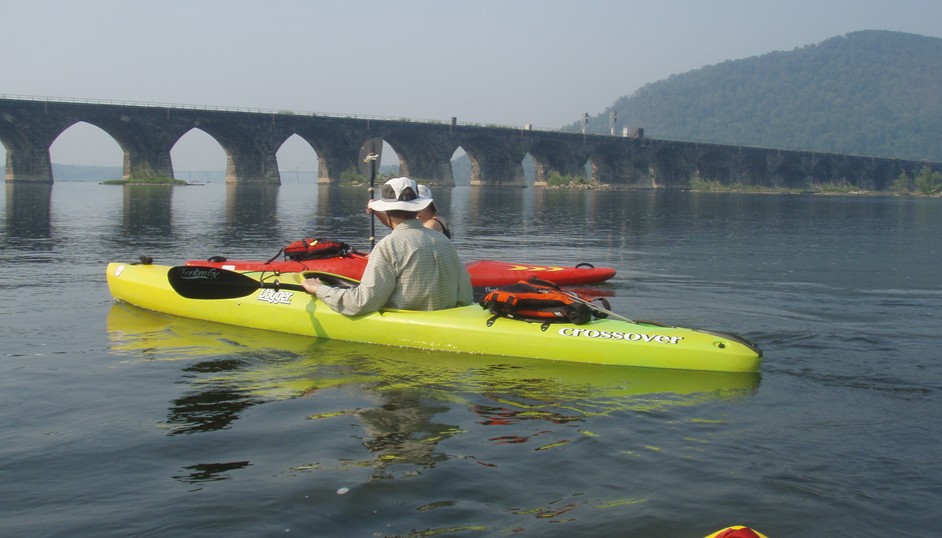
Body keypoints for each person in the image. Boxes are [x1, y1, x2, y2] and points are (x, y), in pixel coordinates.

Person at [302, 176, 473, 315]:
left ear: (388, 213)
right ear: (416, 209)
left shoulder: (388, 246)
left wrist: (320, 289)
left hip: (409, 325)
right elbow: (465, 295)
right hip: (447, 319)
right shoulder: (443, 241)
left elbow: (362, 303)